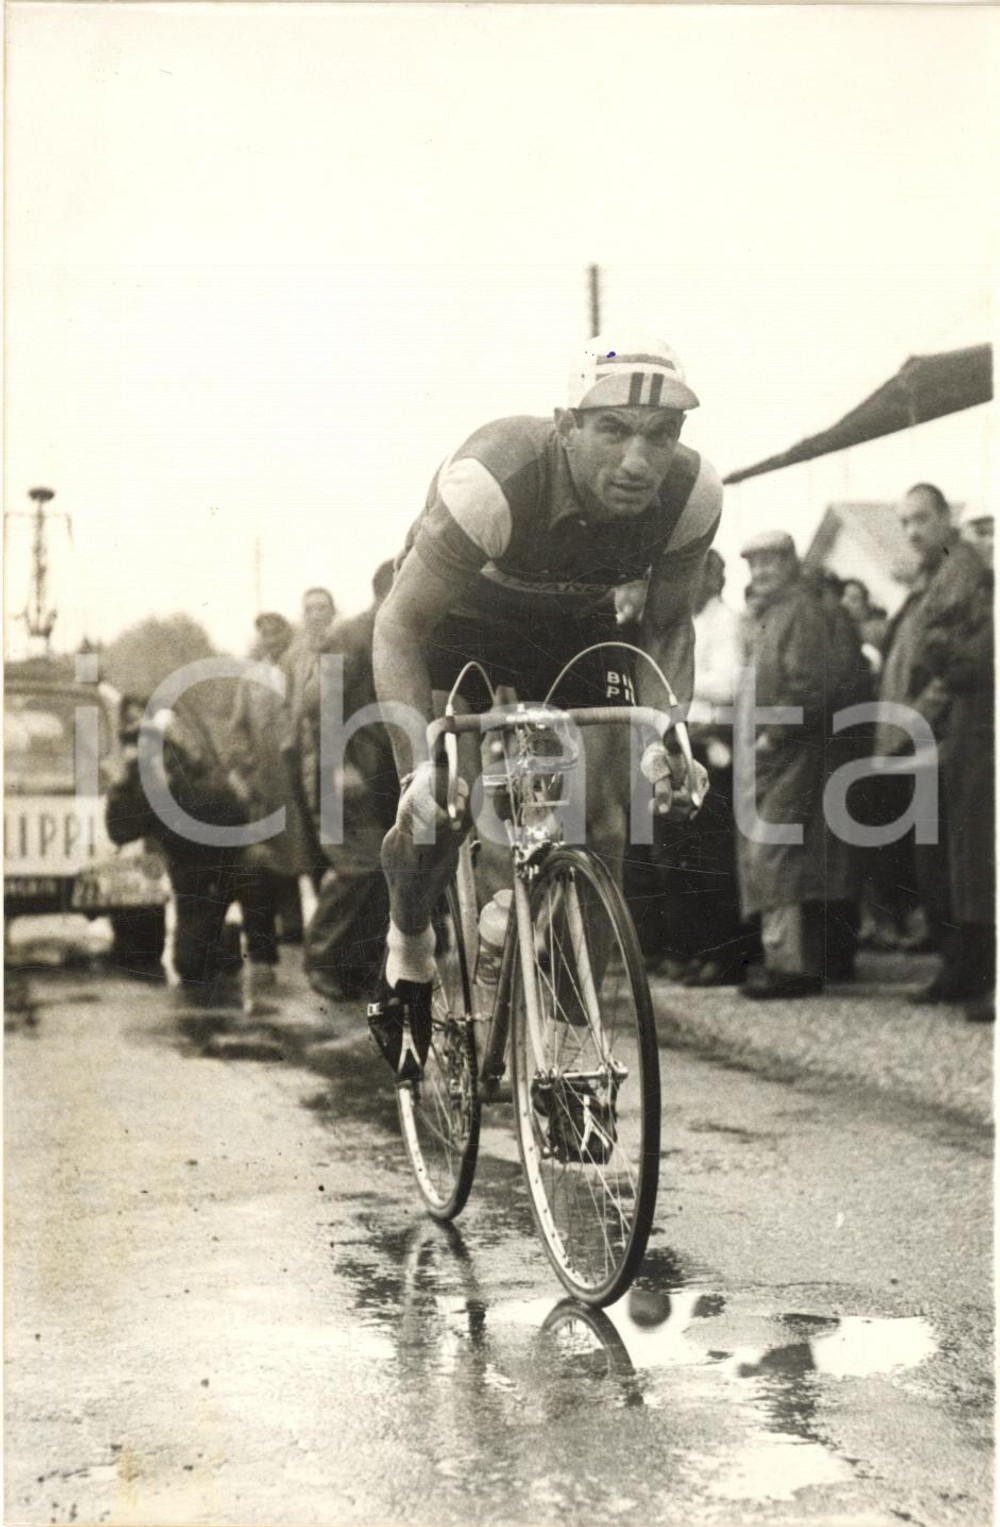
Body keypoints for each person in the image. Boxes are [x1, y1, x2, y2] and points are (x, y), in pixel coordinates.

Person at [368, 335, 718, 1079]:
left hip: (569, 628)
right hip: (453, 624)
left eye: (661, 435)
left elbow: (665, 624)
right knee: (438, 813)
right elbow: (399, 626)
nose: (638, 461)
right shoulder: (493, 480)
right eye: (613, 430)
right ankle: (410, 946)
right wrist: (415, 775)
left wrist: (671, 728)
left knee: (607, 823)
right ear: (566, 425)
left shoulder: (692, 496)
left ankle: (564, 1043)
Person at [874, 483, 988, 1001]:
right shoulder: (932, 574)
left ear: (946, 516)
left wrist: (913, 725)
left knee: (954, 857)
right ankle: (955, 967)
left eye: (921, 519)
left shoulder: (961, 569)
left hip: (948, 736)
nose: (912, 531)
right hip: (927, 736)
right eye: (904, 522)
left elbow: (951, 665)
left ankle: (967, 972)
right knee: (935, 857)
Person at [735, 532, 857, 1000]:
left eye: (768, 563)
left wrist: (773, 735)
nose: (760, 573)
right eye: (754, 565)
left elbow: (810, 686)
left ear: (790, 564)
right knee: (772, 854)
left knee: (777, 853)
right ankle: (784, 961)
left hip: (790, 754)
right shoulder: (773, 614)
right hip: (771, 757)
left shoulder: (799, 612)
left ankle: (790, 966)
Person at [105, 705, 274, 1005]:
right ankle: (225, 940)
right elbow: (120, 831)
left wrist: (176, 790)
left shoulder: (194, 768)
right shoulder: (139, 784)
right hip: (193, 880)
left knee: (256, 863)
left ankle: (262, 955)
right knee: (191, 967)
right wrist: (127, 787)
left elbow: (233, 811)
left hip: (229, 863)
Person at [304, 561, 400, 1003]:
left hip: (379, 773)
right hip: (344, 773)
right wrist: (339, 765)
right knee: (355, 867)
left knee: (381, 872)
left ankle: (358, 967)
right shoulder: (350, 636)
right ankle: (321, 961)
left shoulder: (394, 632)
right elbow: (321, 705)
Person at [920, 503, 995, 1021]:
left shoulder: (968, 575)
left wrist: (941, 648)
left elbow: (968, 658)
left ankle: (976, 975)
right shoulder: (959, 577)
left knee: (977, 858)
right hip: (970, 734)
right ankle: (969, 971)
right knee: (965, 857)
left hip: (981, 732)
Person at [228, 611, 311, 959]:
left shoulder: (301, 668)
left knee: (307, 850)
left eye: (276, 632)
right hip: (265, 778)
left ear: (287, 634)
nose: (270, 638)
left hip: (299, 776)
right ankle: (283, 926)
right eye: (264, 633)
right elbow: (237, 726)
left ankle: (309, 927)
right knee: (271, 851)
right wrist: (245, 763)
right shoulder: (251, 678)